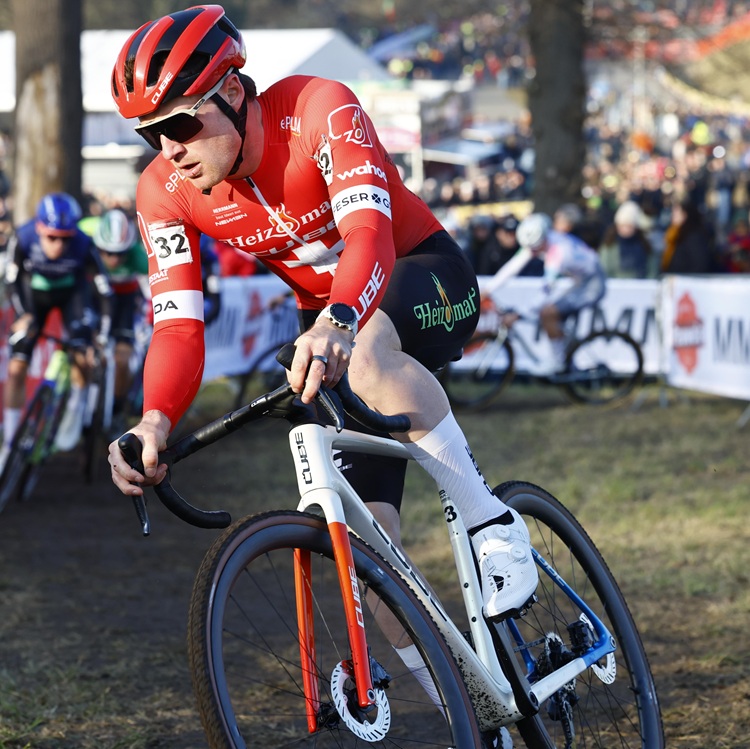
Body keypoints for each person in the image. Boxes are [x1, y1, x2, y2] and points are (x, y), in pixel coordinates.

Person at [106, 5, 538, 710]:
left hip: (419, 272)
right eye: (150, 133)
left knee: (363, 350)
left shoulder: (318, 108)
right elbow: (178, 325)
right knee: (368, 556)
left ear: (233, 92)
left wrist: (341, 318)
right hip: (330, 321)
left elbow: (368, 233)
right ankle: (475, 713)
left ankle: (491, 521)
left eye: (180, 124)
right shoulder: (163, 190)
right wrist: (154, 419)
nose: (168, 148)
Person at [1, 192, 113, 467]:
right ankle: (10, 441)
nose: (59, 245)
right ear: (39, 228)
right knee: (16, 367)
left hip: (72, 296)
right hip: (33, 298)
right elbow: (12, 281)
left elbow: (104, 291)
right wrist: (24, 315)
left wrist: (101, 335)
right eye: (52, 237)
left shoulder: (83, 243)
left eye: (65, 238)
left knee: (82, 353)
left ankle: (74, 409)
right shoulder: (23, 237)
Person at [482, 212, 606, 372]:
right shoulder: (541, 239)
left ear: (542, 240)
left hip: (592, 283)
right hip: (581, 280)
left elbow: (546, 290)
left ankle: (558, 363)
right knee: (551, 316)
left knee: (548, 313)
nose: (532, 252)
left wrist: (518, 314)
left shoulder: (557, 252)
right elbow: (513, 267)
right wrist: (487, 290)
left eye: (535, 248)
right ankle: (565, 357)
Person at [89, 208, 149, 430]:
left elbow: (156, 285)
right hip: (95, 301)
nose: (114, 259)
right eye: (108, 252)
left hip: (124, 304)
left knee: (122, 360)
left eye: (120, 253)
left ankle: (117, 410)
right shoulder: (88, 247)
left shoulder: (138, 256)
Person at [598, 200, 653, 278]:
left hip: (641, 284)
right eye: (622, 226)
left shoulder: (645, 246)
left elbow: (652, 270)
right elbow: (604, 270)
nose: (626, 230)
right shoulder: (608, 247)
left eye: (629, 226)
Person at [660, 199, 716, 274]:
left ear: (685, 215)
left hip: (688, 279)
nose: (672, 217)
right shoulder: (674, 234)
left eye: (675, 214)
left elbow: (700, 264)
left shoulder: (694, 237)